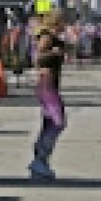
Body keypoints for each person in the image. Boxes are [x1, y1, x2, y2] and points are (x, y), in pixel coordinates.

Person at [29, 10, 66, 180]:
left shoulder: (52, 37)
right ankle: (40, 157)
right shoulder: (47, 37)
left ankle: (41, 160)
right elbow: (37, 58)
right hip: (46, 84)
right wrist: (55, 53)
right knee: (57, 122)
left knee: (51, 122)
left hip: (50, 84)